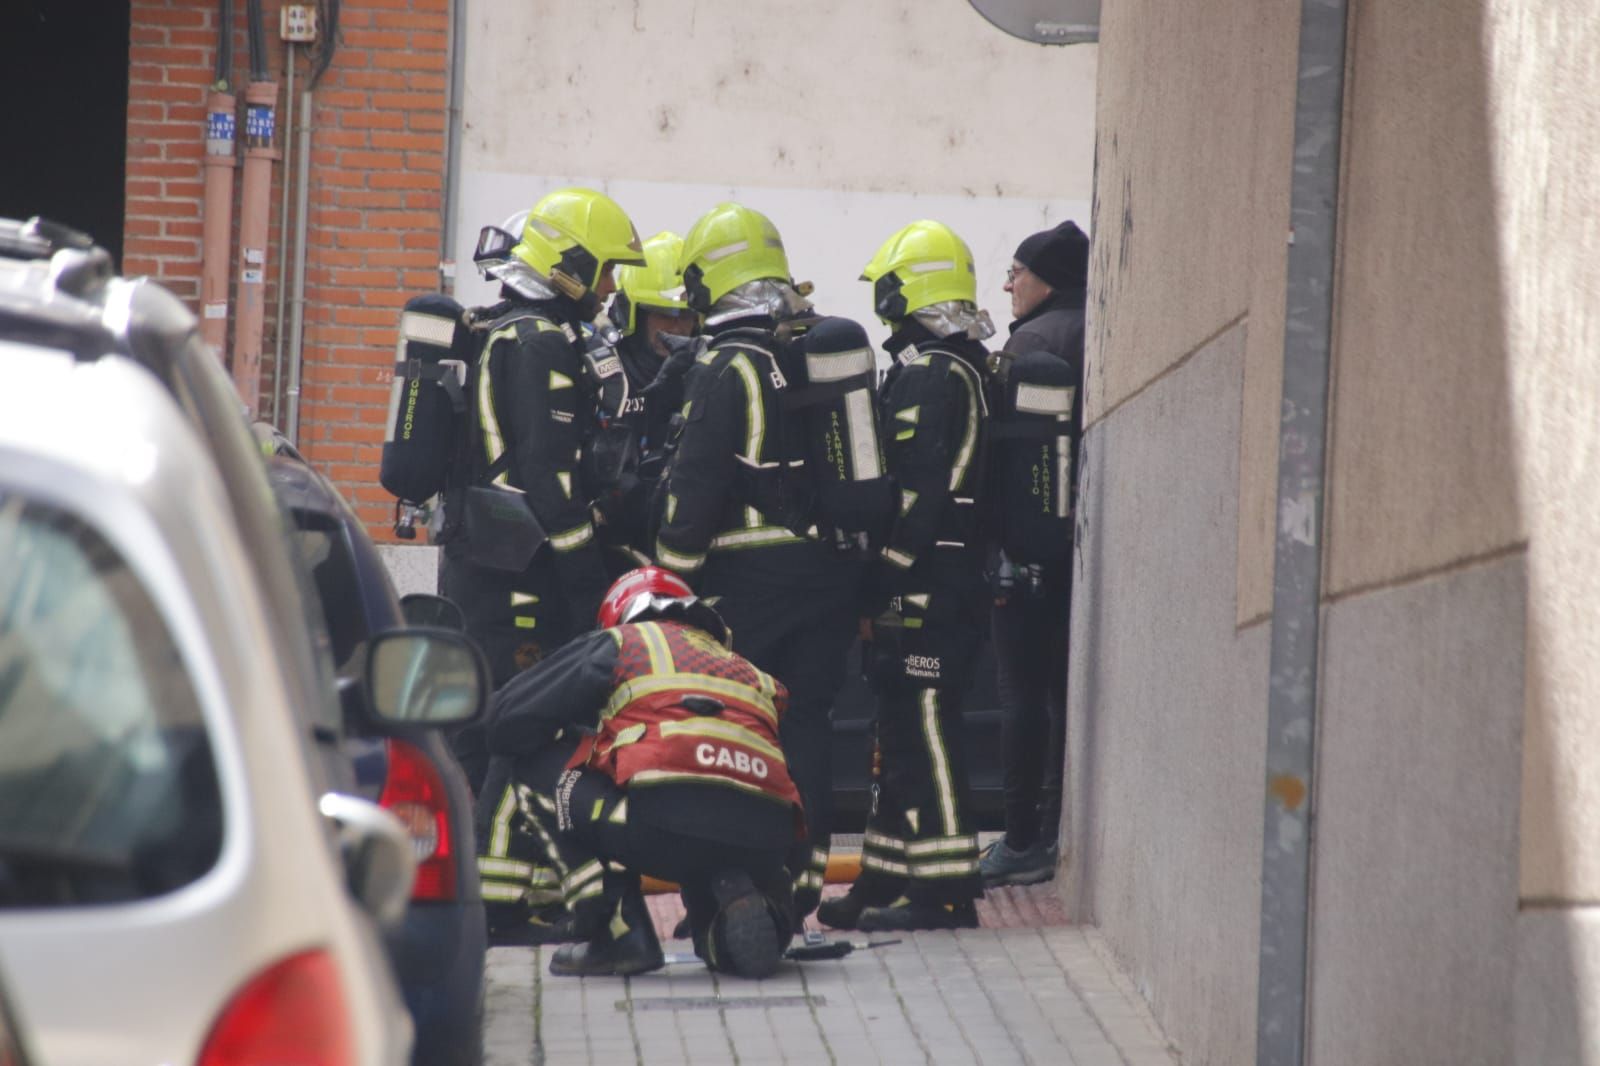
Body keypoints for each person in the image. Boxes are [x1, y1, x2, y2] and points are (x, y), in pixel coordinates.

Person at [653, 202, 865, 917]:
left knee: (740, 728)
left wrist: (671, 577)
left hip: (750, 584)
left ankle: (741, 889)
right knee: (808, 728)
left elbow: (695, 484)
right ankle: (800, 889)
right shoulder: (804, 352)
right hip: (828, 576)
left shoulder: (725, 366)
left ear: (708, 280)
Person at [474, 566, 802, 978]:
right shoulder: (754, 673)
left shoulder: (624, 642)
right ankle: (740, 911)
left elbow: (507, 718)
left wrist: (575, 731)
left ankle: (620, 934)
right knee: (716, 920)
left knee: (531, 759)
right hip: (766, 839)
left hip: (663, 826)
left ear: (620, 614)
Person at [817, 219, 995, 933]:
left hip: (929, 585)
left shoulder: (930, 374)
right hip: (940, 581)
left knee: (924, 730)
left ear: (907, 291)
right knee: (897, 733)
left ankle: (946, 892)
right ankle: (883, 879)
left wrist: (881, 577)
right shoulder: (960, 367)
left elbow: (918, 496)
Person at [978, 220, 1088, 888]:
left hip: (1022, 556)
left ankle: (1021, 838)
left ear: (1047, 279)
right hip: (1070, 548)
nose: (1009, 286)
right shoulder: (1090, 331)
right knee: (1055, 693)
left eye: (1016, 272)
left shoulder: (1033, 341)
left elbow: (999, 462)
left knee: (1020, 693)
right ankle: (1049, 828)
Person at [590, 230, 699, 576]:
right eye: (664, 315)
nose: (677, 328)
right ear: (632, 315)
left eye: (686, 316)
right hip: (611, 552)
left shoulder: (709, 376)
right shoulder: (600, 375)